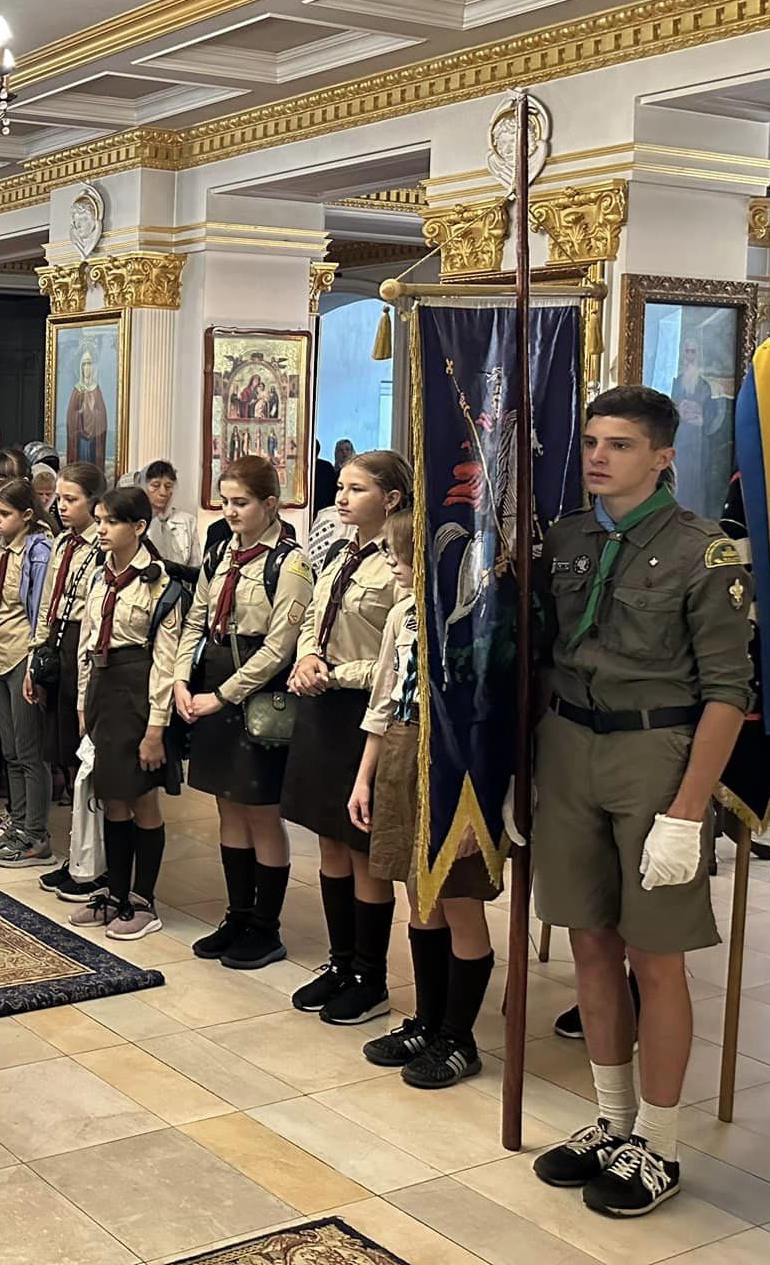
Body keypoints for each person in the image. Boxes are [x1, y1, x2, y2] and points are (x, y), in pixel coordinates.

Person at [526, 386, 750, 1217]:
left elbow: (728, 693)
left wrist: (688, 813)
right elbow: (543, 655)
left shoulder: (704, 552)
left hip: (655, 756)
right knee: (589, 942)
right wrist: (524, 769)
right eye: (591, 441)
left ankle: (659, 1141)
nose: (597, 456)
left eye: (619, 444)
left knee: (655, 958)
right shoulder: (567, 538)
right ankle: (612, 1120)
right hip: (569, 746)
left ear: (662, 457)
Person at [347, 504, 503, 1091]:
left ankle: (459, 1037)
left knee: (458, 899)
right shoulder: (403, 615)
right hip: (401, 750)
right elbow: (384, 699)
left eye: (398, 555)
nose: (389, 564)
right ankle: (428, 1020)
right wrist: (365, 777)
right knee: (419, 896)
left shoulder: (472, 616)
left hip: (456, 763)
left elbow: (488, 711)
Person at [282, 450, 410, 1027]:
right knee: (328, 841)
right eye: (340, 487)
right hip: (321, 706)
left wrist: (334, 673)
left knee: (362, 849)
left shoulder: (399, 561)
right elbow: (313, 615)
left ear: (392, 499)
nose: (341, 497)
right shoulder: (337, 550)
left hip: (365, 711)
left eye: (357, 489)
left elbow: (397, 654)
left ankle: (370, 975)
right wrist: (308, 655)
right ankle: (339, 962)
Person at [173, 454, 313, 971]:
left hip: (257, 695)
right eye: (226, 501)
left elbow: (278, 648)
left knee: (260, 811)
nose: (231, 511)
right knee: (227, 806)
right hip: (213, 683)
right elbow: (195, 619)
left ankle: (265, 926)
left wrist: (223, 695)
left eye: (242, 502)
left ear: (270, 504)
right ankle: (237, 914)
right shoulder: (221, 553)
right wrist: (181, 681)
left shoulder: (289, 564)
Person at [70, 485, 189, 940]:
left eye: (112, 522)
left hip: (139, 695)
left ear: (138, 527)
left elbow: (165, 661)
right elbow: (87, 642)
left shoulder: (161, 584)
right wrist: (83, 703)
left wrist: (156, 729)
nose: (101, 529)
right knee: (112, 795)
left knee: (142, 797)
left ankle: (143, 899)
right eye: (99, 520)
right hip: (104, 691)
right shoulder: (99, 576)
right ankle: (116, 892)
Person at [25, 462, 106, 900]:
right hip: (56, 641)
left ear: (95, 502)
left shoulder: (101, 545)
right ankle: (75, 854)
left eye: (71, 499)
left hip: (83, 644)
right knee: (62, 753)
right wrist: (36, 656)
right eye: (58, 498)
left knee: (84, 756)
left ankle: (92, 860)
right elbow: (47, 602)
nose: (60, 506)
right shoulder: (62, 542)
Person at [0, 478, 53, 868]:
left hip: (23, 654)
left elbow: (39, 609)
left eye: (4, 513)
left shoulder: (38, 551)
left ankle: (36, 834)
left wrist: (36, 662)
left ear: (27, 514)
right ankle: (17, 825)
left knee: (29, 750)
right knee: (9, 750)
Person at [669, 333, 732, 516]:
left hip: (699, 445)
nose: (690, 356)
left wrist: (701, 419)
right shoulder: (676, 383)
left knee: (697, 486)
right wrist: (680, 410)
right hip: (680, 443)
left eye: (693, 352)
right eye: (687, 352)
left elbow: (714, 416)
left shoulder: (706, 385)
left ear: (699, 355)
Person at [135, 460, 199, 584]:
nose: (163, 492)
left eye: (168, 486)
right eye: (155, 485)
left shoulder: (187, 520)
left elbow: (195, 566)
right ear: (144, 486)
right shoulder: (136, 522)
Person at [65, 353, 109, 466]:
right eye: (84, 364)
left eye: (89, 364)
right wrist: (80, 412)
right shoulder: (77, 389)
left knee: (91, 459)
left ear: (93, 367)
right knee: (81, 458)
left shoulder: (96, 390)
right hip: (80, 436)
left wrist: (94, 413)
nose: (87, 367)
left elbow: (102, 415)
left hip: (93, 436)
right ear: (81, 368)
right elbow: (71, 415)